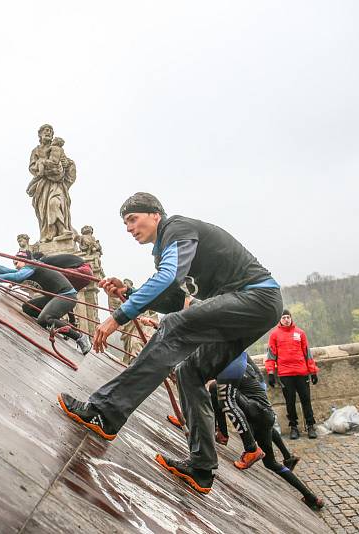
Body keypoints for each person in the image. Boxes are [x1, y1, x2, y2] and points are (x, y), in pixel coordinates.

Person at [57, 192, 282, 495]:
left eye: (132, 219)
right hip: (256, 306)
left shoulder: (176, 228)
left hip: (257, 296)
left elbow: (167, 278)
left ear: (155, 214)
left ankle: (105, 413)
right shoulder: (167, 248)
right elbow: (177, 298)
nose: (129, 228)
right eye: (125, 223)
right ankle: (202, 468)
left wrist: (119, 316)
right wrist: (128, 291)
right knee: (191, 371)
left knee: (173, 329)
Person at [211, 362, 324, 510]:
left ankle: (232, 438)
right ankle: (311, 497)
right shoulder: (241, 360)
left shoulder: (227, 371)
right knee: (270, 463)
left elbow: (223, 400)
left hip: (254, 412)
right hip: (266, 414)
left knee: (216, 388)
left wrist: (222, 430)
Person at [0, 251, 92, 355]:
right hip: (54, 296)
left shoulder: (33, 264)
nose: (15, 265)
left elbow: (18, 276)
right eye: (14, 263)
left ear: (26, 260)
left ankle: (80, 337)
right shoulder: (29, 269)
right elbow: (10, 272)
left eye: (17, 262)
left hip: (67, 295)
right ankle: (58, 324)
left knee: (44, 318)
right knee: (28, 307)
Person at [266, 309, 320, 439]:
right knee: (290, 402)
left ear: (291, 318)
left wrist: (313, 371)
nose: (286, 319)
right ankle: (294, 427)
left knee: (306, 400)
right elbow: (271, 355)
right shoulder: (274, 335)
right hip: (285, 374)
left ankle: (310, 426)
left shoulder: (300, 333)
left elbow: (307, 353)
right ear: (280, 320)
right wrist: (271, 373)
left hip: (302, 372)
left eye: (288, 317)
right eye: (283, 317)